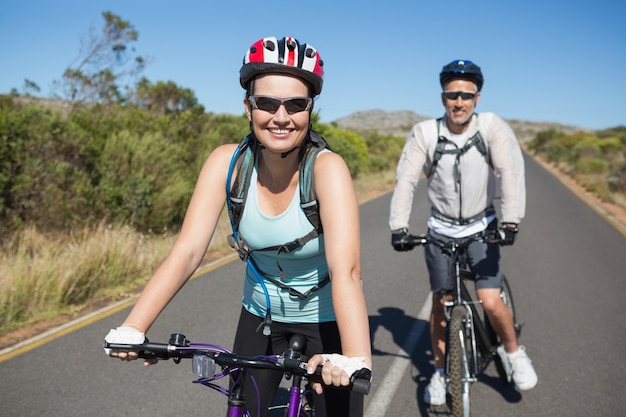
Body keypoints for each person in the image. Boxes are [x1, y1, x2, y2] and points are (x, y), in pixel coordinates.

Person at [104, 36, 372, 417]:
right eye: (267, 103)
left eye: (296, 104)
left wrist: (357, 356)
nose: (282, 117)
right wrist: (135, 325)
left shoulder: (327, 170)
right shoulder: (227, 165)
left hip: (325, 318)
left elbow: (346, 271)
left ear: (310, 110)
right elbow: (187, 251)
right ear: (249, 107)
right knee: (243, 410)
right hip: (260, 316)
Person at [389, 59, 537, 405]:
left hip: (481, 227)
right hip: (440, 230)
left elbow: (509, 172)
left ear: (477, 98)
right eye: (452, 95)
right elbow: (406, 180)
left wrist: (510, 220)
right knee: (441, 303)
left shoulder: (491, 128)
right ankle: (441, 374)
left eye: (466, 96)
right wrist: (399, 227)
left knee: (488, 299)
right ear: (443, 97)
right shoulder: (426, 132)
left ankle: (514, 353)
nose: (459, 102)